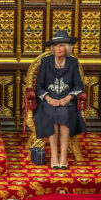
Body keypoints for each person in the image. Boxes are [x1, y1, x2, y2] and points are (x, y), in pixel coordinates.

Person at [32, 30, 86, 170]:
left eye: (61, 46)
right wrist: (49, 99)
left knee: (64, 114)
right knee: (51, 115)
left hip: (66, 102)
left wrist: (67, 98)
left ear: (67, 48)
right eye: (55, 46)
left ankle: (63, 157)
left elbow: (79, 86)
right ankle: (54, 156)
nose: (58, 49)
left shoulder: (73, 63)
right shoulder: (46, 62)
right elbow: (38, 87)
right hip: (49, 102)